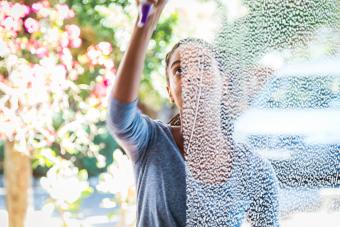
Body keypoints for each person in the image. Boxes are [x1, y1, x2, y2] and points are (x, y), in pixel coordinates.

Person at [106, 0, 280, 226]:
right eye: (179, 70)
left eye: (204, 65)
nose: (193, 76)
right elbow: (119, 116)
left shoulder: (254, 170)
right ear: (170, 91)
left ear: (224, 83)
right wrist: (144, 25)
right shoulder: (151, 142)